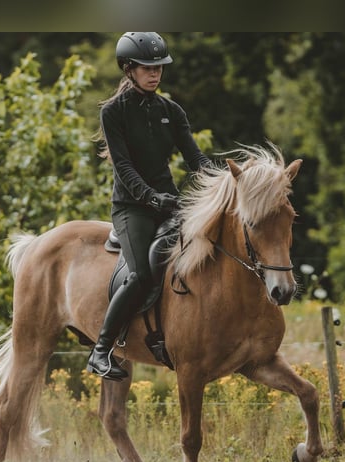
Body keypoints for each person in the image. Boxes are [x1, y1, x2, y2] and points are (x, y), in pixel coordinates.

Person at [88, 32, 212, 380]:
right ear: (128, 69)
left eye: (159, 67)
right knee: (142, 272)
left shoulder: (171, 111)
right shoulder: (114, 112)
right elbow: (123, 167)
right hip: (132, 207)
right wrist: (151, 197)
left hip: (169, 204)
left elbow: (195, 158)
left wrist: (227, 181)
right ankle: (101, 351)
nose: (155, 73)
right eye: (146, 67)